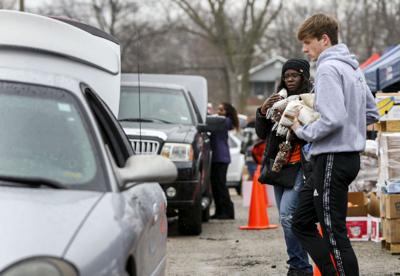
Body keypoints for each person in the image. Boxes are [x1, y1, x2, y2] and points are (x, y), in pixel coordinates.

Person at [290, 14, 380, 276]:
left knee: (334, 233)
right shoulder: (353, 68)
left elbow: (333, 119)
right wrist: (351, 127)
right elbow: (372, 113)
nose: (305, 49)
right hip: (344, 157)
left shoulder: (329, 68)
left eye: (308, 42)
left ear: (324, 39)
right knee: (302, 221)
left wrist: (302, 130)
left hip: (332, 157)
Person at [255, 58, 313, 276]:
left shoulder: (311, 99)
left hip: (300, 165)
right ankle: (296, 266)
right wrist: (262, 111)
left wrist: (294, 118)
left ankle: (301, 267)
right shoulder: (278, 99)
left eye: (294, 75)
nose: (289, 79)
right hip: (279, 168)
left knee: (289, 217)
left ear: (304, 76)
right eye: (286, 76)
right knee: (285, 219)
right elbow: (262, 134)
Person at [210, 102, 239, 220]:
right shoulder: (221, 120)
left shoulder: (226, 121)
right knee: (215, 185)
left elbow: (216, 122)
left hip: (221, 157)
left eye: (221, 110)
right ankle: (219, 211)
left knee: (221, 185)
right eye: (218, 109)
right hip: (216, 157)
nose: (218, 112)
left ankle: (228, 212)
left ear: (227, 112)